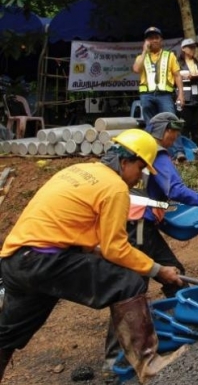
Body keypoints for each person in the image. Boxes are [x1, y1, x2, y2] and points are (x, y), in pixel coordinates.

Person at [0, 129, 186, 383]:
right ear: (125, 162)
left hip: (16, 260)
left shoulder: (76, 171)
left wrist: (95, 251)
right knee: (129, 282)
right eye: (141, 170)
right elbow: (116, 248)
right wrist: (158, 270)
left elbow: (72, 229)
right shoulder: (115, 188)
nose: (138, 180)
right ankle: (149, 364)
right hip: (46, 261)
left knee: (8, 334)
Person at [103, 113, 198, 378]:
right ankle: (120, 354)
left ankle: (174, 326)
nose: (176, 137)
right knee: (132, 287)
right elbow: (175, 190)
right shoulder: (155, 153)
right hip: (137, 227)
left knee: (162, 276)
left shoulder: (124, 149)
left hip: (131, 221)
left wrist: (159, 207)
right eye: (173, 132)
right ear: (163, 130)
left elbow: (142, 193)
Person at [132, 26, 185, 125]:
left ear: (161, 40)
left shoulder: (170, 55)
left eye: (156, 37)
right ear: (146, 41)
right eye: (150, 38)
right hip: (147, 95)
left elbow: (177, 75)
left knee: (171, 122)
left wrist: (181, 94)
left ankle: (173, 141)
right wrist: (144, 51)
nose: (154, 40)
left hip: (165, 95)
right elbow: (136, 69)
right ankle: (153, 140)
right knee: (151, 123)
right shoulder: (141, 57)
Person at [177, 37, 198, 145]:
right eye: (191, 47)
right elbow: (173, 77)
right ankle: (185, 150)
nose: (193, 49)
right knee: (185, 125)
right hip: (185, 98)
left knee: (196, 126)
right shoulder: (178, 63)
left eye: (194, 47)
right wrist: (184, 75)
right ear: (183, 49)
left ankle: (196, 149)